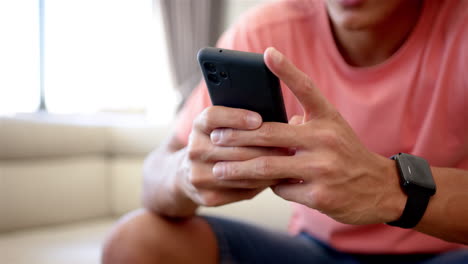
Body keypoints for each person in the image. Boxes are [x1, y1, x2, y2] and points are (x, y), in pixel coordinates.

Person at [102, 0, 468, 263]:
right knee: (136, 241)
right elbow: (153, 177)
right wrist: (185, 176)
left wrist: (391, 188)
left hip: (448, 249)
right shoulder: (265, 31)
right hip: (313, 250)